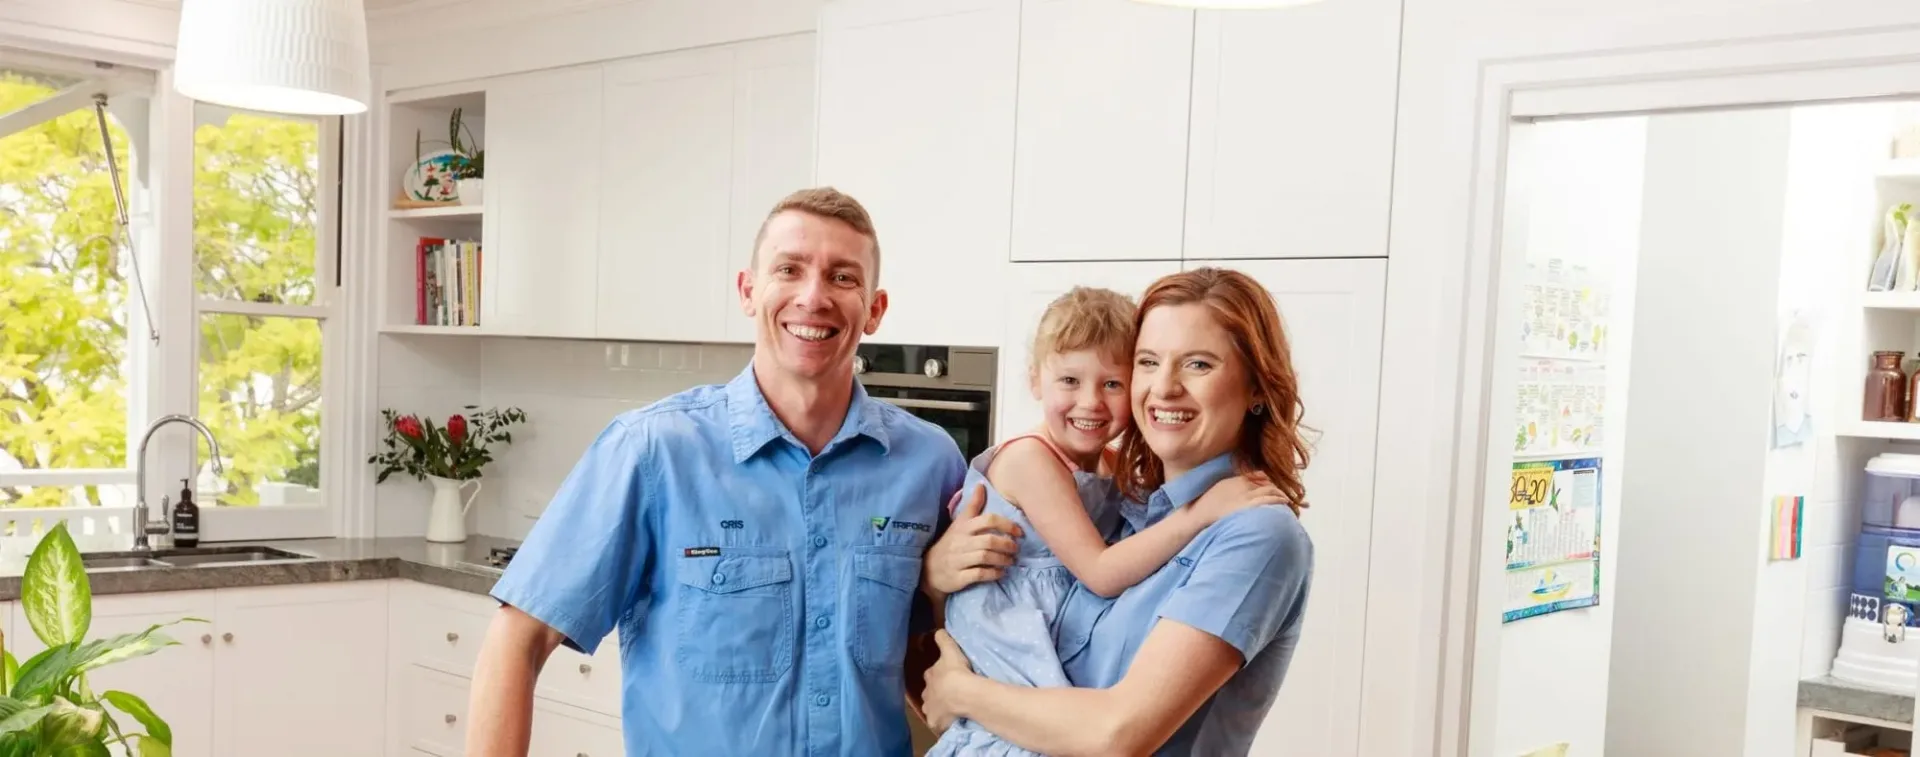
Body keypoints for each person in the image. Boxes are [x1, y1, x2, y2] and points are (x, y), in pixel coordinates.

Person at [463, 187, 972, 756]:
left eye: (843, 278)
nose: (814, 296)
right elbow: (519, 636)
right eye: (789, 269)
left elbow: (946, 655)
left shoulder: (931, 464)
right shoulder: (653, 451)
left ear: (874, 310)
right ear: (749, 292)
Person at [920, 266, 1317, 756]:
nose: (1165, 387)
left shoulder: (1257, 533)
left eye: (1198, 364)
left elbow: (1116, 736)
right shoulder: (1130, 510)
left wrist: (963, 693)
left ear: (1257, 386)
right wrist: (935, 579)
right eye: (1149, 362)